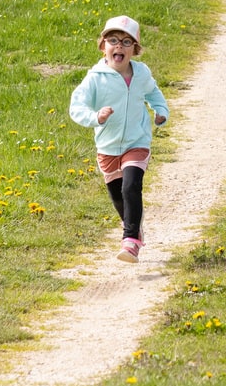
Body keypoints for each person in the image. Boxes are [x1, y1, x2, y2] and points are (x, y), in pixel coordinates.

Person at [68, 15, 169, 262]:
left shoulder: (142, 73)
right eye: (113, 40)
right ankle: (133, 226)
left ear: (135, 49)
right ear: (103, 46)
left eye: (126, 41)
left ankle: (130, 241)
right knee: (118, 197)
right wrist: (95, 117)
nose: (119, 46)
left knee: (131, 186)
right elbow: (76, 107)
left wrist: (161, 111)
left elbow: (154, 94)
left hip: (137, 141)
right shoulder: (95, 78)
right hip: (108, 146)